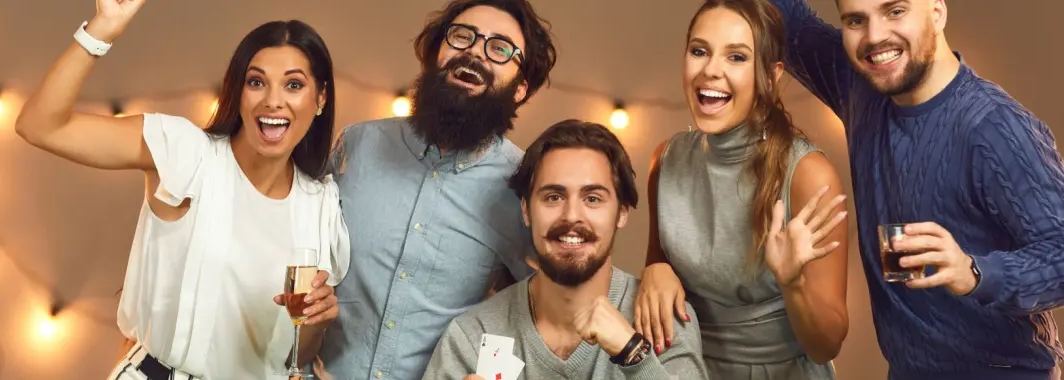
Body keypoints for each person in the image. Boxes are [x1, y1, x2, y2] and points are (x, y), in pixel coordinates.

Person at [14, 1, 349, 378]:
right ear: (238, 91)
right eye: (256, 82)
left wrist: (315, 321)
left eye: (293, 84)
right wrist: (102, 29)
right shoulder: (186, 153)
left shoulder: (320, 206)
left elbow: (294, 352)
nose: (273, 100)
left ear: (320, 99)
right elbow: (41, 126)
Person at [768, 0, 1064, 379]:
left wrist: (974, 272)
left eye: (895, 11)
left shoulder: (995, 127)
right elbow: (786, 21)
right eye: (856, 20)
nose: (874, 37)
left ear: (937, 11)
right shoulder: (860, 85)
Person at [317, 0, 557, 378]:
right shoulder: (356, 146)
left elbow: (547, 312)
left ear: (519, 88)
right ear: (434, 55)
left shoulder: (526, 184)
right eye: (462, 36)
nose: (475, 51)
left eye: (499, 48)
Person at [632, 0, 851, 379]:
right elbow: (659, 262)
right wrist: (654, 267)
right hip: (689, 368)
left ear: (770, 75)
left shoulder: (809, 175)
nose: (711, 70)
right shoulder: (665, 160)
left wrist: (792, 283)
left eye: (736, 57)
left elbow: (826, 345)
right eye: (699, 51)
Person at [422, 120, 709, 380]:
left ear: (621, 212)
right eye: (554, 196)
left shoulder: (661, 318)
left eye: (593, 198)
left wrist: (632, 354)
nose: (572, 216)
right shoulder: (474, 333)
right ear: (526, 210)